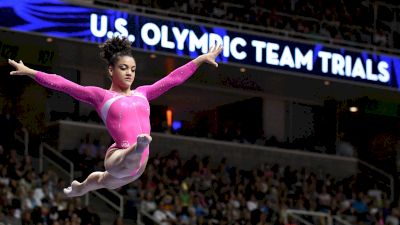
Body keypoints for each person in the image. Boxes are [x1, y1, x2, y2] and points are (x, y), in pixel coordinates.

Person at [8, 36, 223, 197]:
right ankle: (135, 148)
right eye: (123, 68)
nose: (129, 73)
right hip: (120, 156)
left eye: (133, 69)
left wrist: (200, 59)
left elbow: (173, 79)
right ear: (111, 70)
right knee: (126, 160)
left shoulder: (143, 92)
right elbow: (64, 84)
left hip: (134, 170)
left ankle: (80, 188)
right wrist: (31, 72)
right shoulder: (101, 96)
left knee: (101, 180)